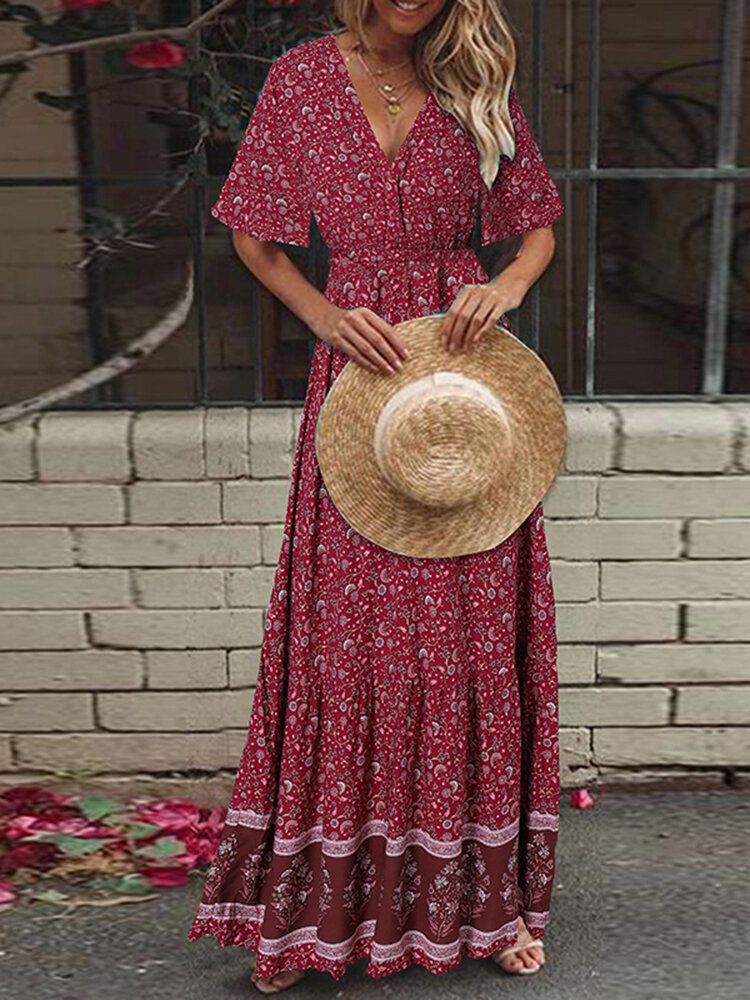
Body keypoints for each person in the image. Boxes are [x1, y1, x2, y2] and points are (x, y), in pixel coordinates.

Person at [188, 0, 564, 990]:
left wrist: (509, 288)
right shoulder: (301, 82)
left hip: (468, 388)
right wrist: (326, 313)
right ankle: (310, 915)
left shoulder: (471, 80)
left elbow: (536, 233)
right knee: (347, 642)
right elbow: (255, 239)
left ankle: (494, 908)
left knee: (476, 639)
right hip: (359, 382)